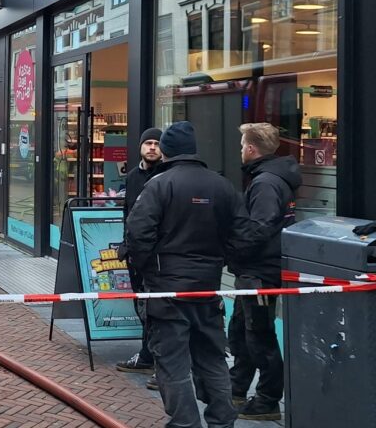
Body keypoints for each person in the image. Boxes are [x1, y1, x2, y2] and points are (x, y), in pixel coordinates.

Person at [124, 121, 250, 428]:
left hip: (167, 290)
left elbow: (138, 233)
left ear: (165, 150)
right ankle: (222, 421)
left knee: (171, 362)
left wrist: (145, 268)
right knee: (212, 359)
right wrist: (220, 261)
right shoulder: (222, 186)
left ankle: (184, 423)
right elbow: (245, 234)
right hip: (207, 288)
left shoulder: (159, 184)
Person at [227, 122, 299, 421]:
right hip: (254, 269)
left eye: (243, 144)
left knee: (260, 335)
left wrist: (233, 247)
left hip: (259, 271)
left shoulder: (265, 183)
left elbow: (260, 227)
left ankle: (268, 399)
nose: (241, 149)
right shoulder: (268, 178)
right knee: (241, 332)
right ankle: (236, 387)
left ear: (252, 149)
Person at [117, 128, 163, 385]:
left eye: (157, 143)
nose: (153, 147)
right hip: (135, 254)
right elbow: (129, 213)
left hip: (157, 257)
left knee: (157, 310)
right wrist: (126, 244)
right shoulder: (133, 177)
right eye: (148, 143)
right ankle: (146, 354)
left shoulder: (167, 176)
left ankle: (161, 362)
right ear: (140, 146)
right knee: (141, 307)